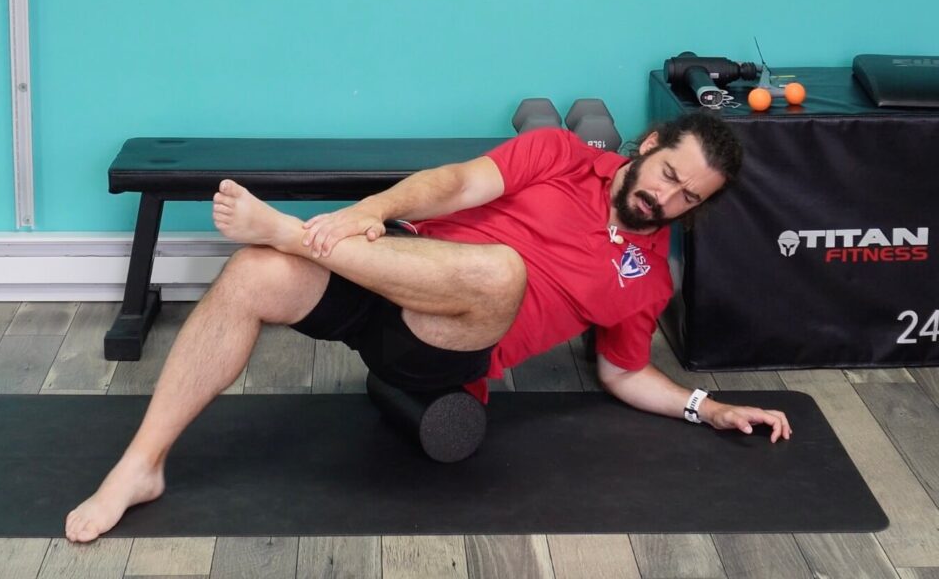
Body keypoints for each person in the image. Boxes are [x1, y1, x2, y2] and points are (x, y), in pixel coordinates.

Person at [65, 111, 792, 543]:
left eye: (687, 197)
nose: (665, 198)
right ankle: (141, 467)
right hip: (390, 266)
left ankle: (288, 234)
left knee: (504, 273)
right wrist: (373, 213)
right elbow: (455, 183)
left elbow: (625, 372)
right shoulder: (562, 156)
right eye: (668, 174)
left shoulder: (650, 277)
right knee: (252, 274)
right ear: (650, 143)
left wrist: (708, 406)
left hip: (443, 350)